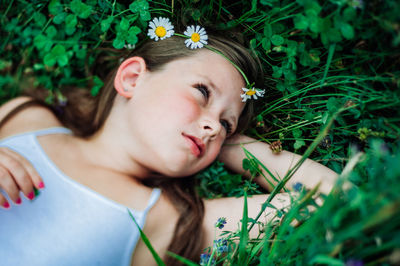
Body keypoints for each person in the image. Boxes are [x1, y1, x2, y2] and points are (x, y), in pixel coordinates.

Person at [0, 24, 337, 265]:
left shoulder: (172, 223)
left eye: (226, 123)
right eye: (202, 92)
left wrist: (231, 145)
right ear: (133, 78)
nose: (212, 127)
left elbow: (332, 199)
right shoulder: (26, 118)